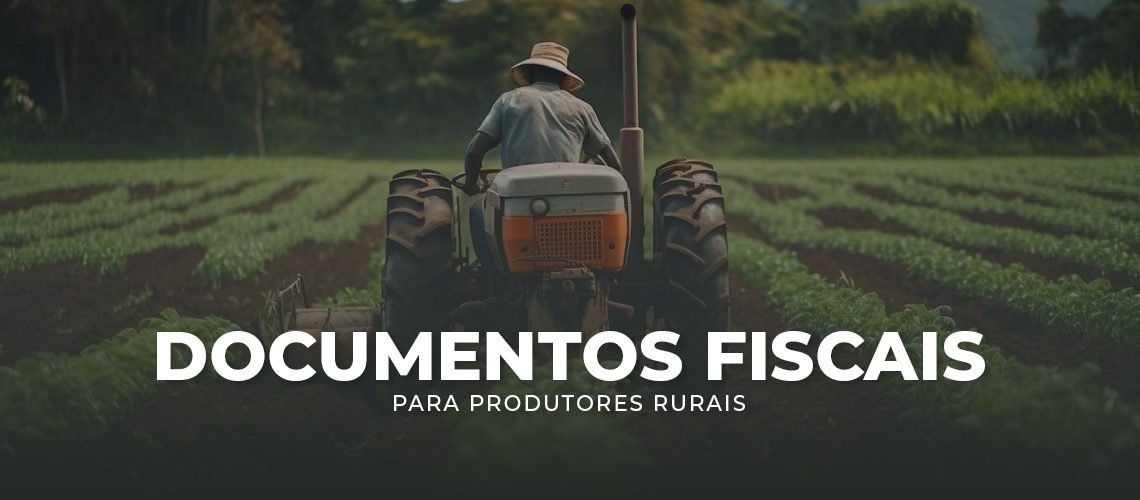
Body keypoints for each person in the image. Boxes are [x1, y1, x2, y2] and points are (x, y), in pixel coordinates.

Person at [463, 41, 621, 264]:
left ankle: (494, 278)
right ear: (563, 78)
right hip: (571, 199)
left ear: (530, 71)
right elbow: (612, 161)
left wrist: (471, 183)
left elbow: (473, 152)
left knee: (478, 212)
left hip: (519, 198)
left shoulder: (509, 100)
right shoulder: (581, 107)